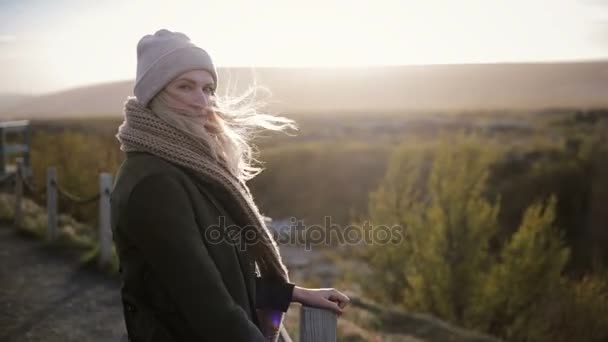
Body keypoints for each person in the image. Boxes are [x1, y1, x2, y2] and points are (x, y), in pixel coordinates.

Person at [111, 28, 350, 342]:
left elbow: (223, 273)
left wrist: (294, 294)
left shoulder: (194, 166)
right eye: (185, 87)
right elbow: (206, 303)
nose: (203, 101)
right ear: (153, 94)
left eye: (208, 88)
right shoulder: (155, 183)